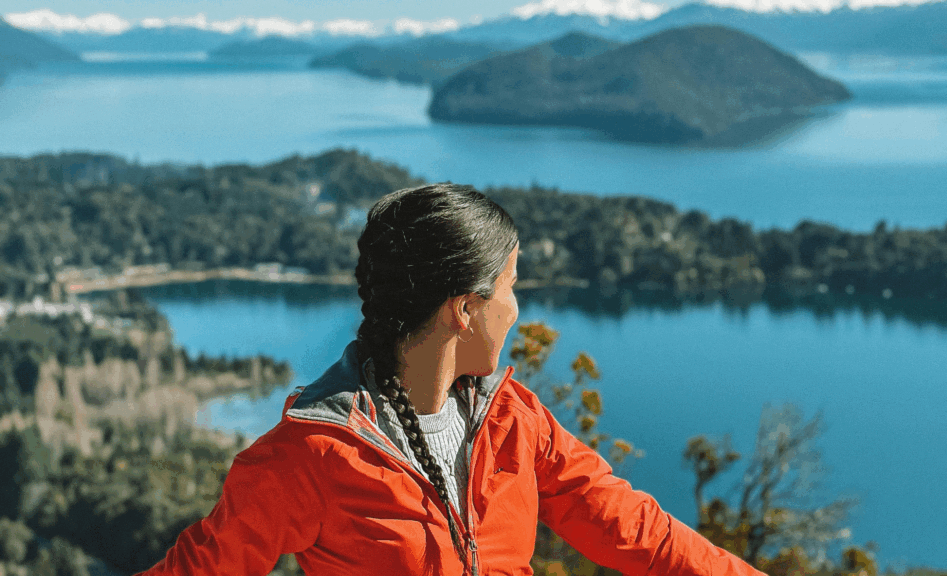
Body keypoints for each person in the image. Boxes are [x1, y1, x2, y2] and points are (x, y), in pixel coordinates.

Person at [137, 184, 763, 576]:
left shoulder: (514, 419)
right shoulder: (310, 456)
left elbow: (638, 533)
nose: (518, 310)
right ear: (464, 309)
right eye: (511, 287)